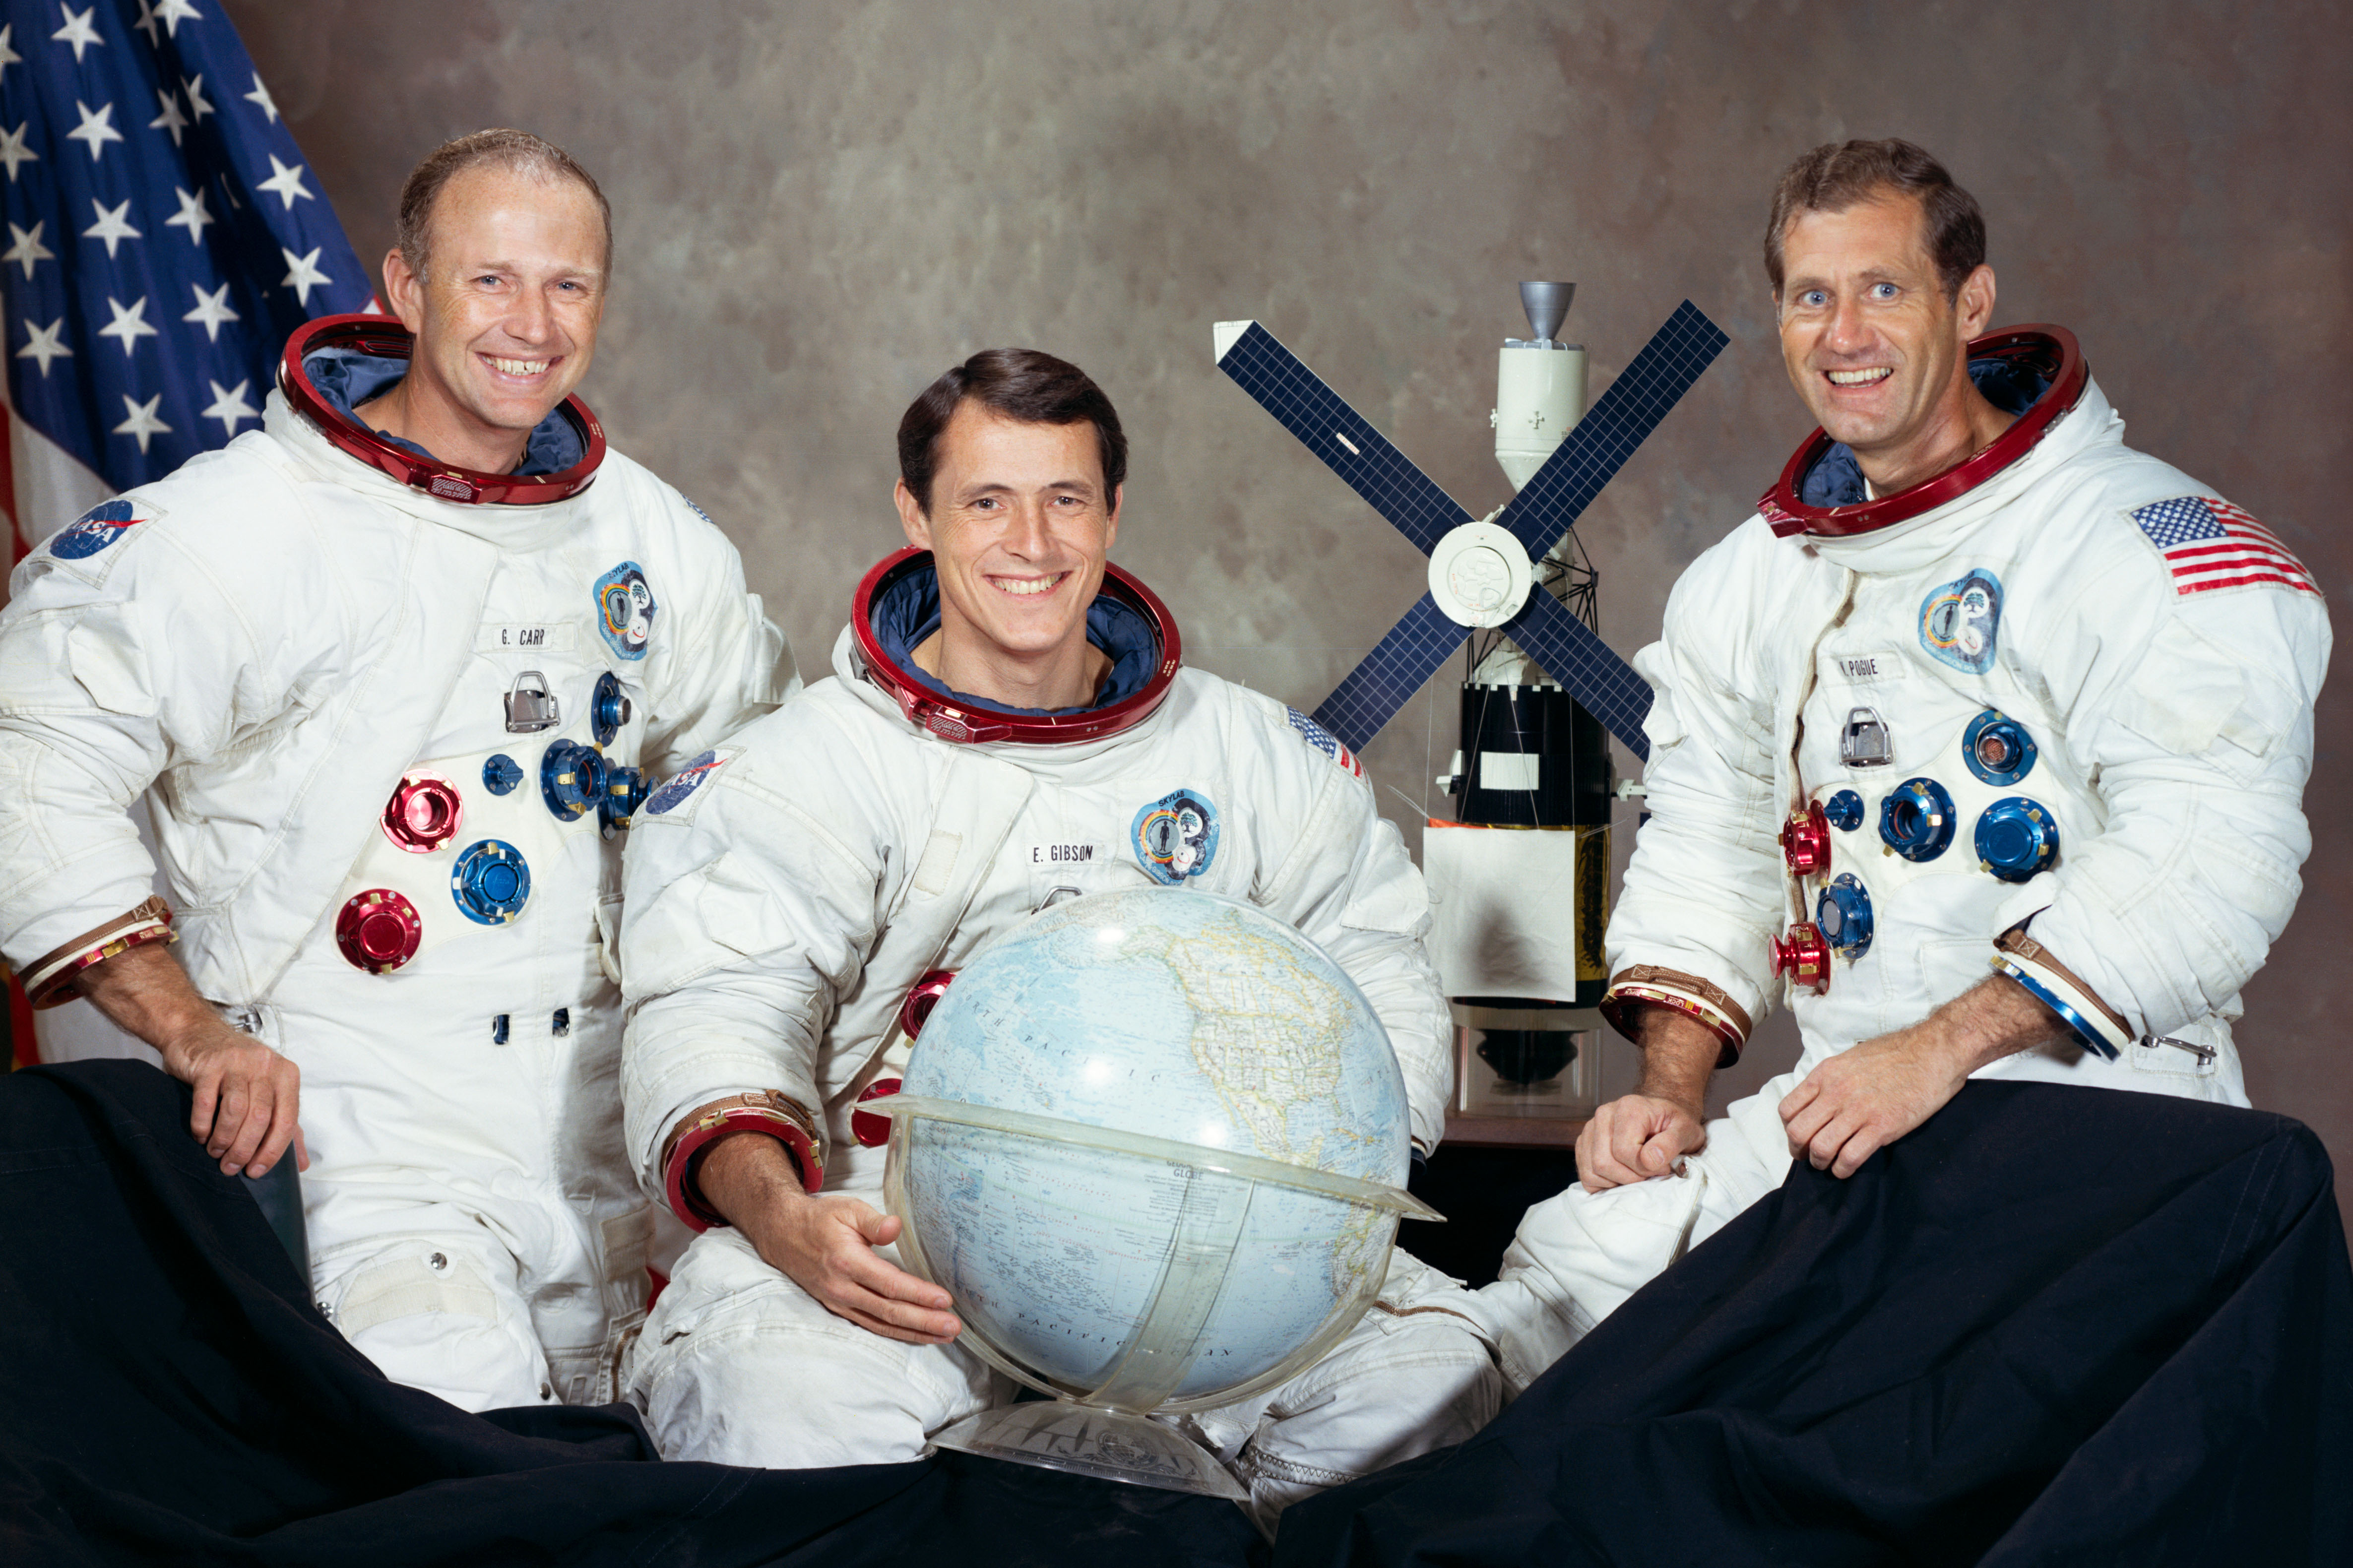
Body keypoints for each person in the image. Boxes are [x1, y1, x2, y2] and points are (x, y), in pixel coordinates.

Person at [1474, 138, 2331, 1390]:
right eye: (1809, 296)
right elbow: (1712, 843)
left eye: (1881, 288)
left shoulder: (2146, 544)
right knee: (1569, 1271)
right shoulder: (1750, 582)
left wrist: (1936, 1052)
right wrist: (1669, 1089)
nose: (1842, 332)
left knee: (1903, 1390)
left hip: (2101, 1110)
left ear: (1968, 303)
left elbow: (2210, 861)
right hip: (1844, 1106)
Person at [618, 349, 1497, 1522]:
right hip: (889, 1242)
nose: (1030, 541)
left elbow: (1376, 976)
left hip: (1210, 1256)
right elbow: (716, 1012)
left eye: (1065, 498)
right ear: (915, 514)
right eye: (986, 500)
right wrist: (788, 1224)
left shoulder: (1256, 763)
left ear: (1112, 512)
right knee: (779, 1400)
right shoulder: (808, 769)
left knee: (1425, 1384)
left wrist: (1294, 1231)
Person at [0, 130, 793, 1409]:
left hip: (610, 1131)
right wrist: (188, 1030)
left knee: (725, 1437)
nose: (532, 323)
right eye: (490, 280)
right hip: (359, 1138)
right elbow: (26, 745)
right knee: (453, 1432)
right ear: (406, 290)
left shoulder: (648, 534)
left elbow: (762, 787)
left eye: (569, 285)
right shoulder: (247, 527)